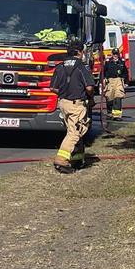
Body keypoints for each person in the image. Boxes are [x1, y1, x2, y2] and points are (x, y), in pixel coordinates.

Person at [51, 41, 95, 173]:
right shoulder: (82, 67)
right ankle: (61, 161)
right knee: (75, 133)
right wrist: (90, 97)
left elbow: (53, 87)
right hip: (76, 104)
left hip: (63, 103)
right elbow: (89, 87)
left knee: (72, 130)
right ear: (80, 52)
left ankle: (76, 159)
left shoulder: (60, 66)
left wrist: (65, 93)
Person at [101, 49, 128, 121]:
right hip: (110, 81)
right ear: (112, 54)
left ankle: (117, 115)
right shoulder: (107, 62)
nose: (115, 55)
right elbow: (103, 72)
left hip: (119, 80)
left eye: (116, 54)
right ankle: (110, 113)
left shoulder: (122, 62)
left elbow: (125, 73)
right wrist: (103, 80)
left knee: (118, 96)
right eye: (114, 54)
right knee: (109, 96)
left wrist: (126, 83)